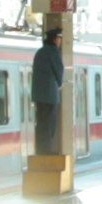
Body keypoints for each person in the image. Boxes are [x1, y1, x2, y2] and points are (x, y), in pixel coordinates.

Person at [30, 22, 67, 157]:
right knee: (49, 124)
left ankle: (41, 149)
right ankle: (47, 150)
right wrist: (60, 83)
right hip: (50, 95)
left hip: (38, 95)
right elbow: (59, 70)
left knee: (41, 123)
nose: (59, 42)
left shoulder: (40, 52)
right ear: (55, 39)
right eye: (59, 39)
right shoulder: (53, 52)